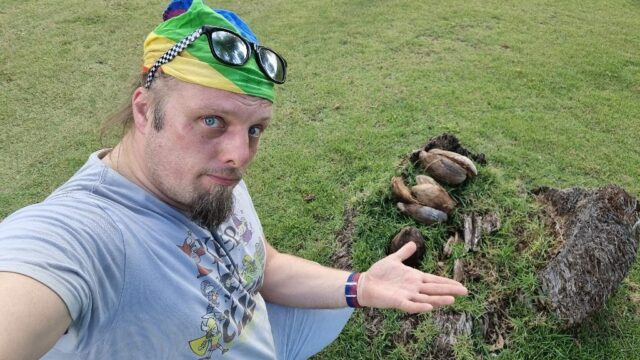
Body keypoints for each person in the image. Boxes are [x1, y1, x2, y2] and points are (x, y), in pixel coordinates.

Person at [0, 0, 468, 359]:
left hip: (261, 333)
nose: (239, 155)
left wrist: (359, 287)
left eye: (255, 129)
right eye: (211, 121)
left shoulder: (210, 177)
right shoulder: (79, 236)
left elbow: (263, 266)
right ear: (145, 110)